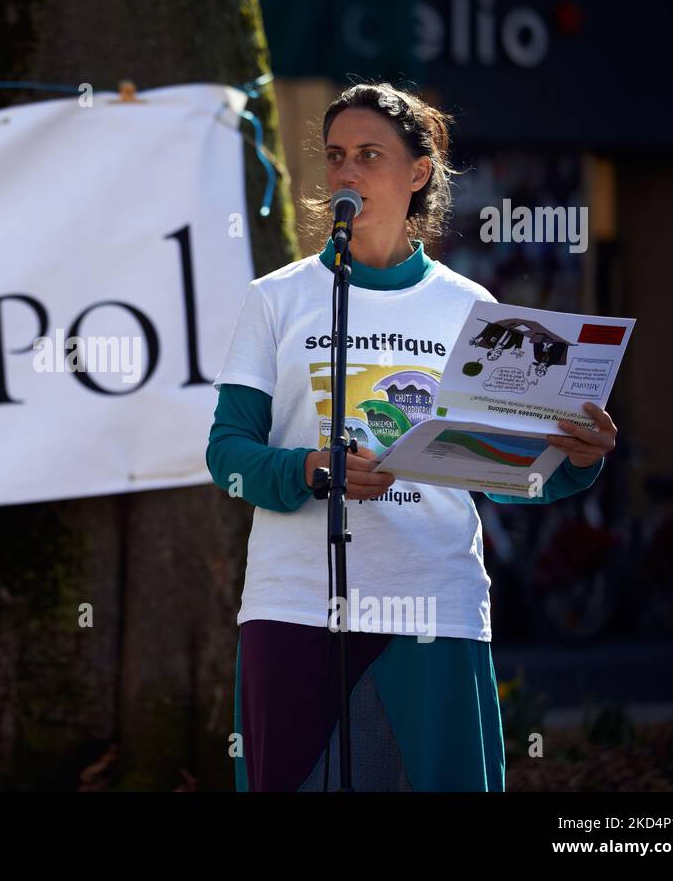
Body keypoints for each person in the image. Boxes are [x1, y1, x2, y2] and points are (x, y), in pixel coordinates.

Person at [205, 82, 618, 791]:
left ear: (418, 172)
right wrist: (311, 468)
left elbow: (507, 468)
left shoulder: (472, 308)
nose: (347, 173)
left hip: (433, 601)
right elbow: (228, 454)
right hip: (295, 602)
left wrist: (573, 458)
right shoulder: (276, 299)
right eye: (336, 156)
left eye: (370, 155)